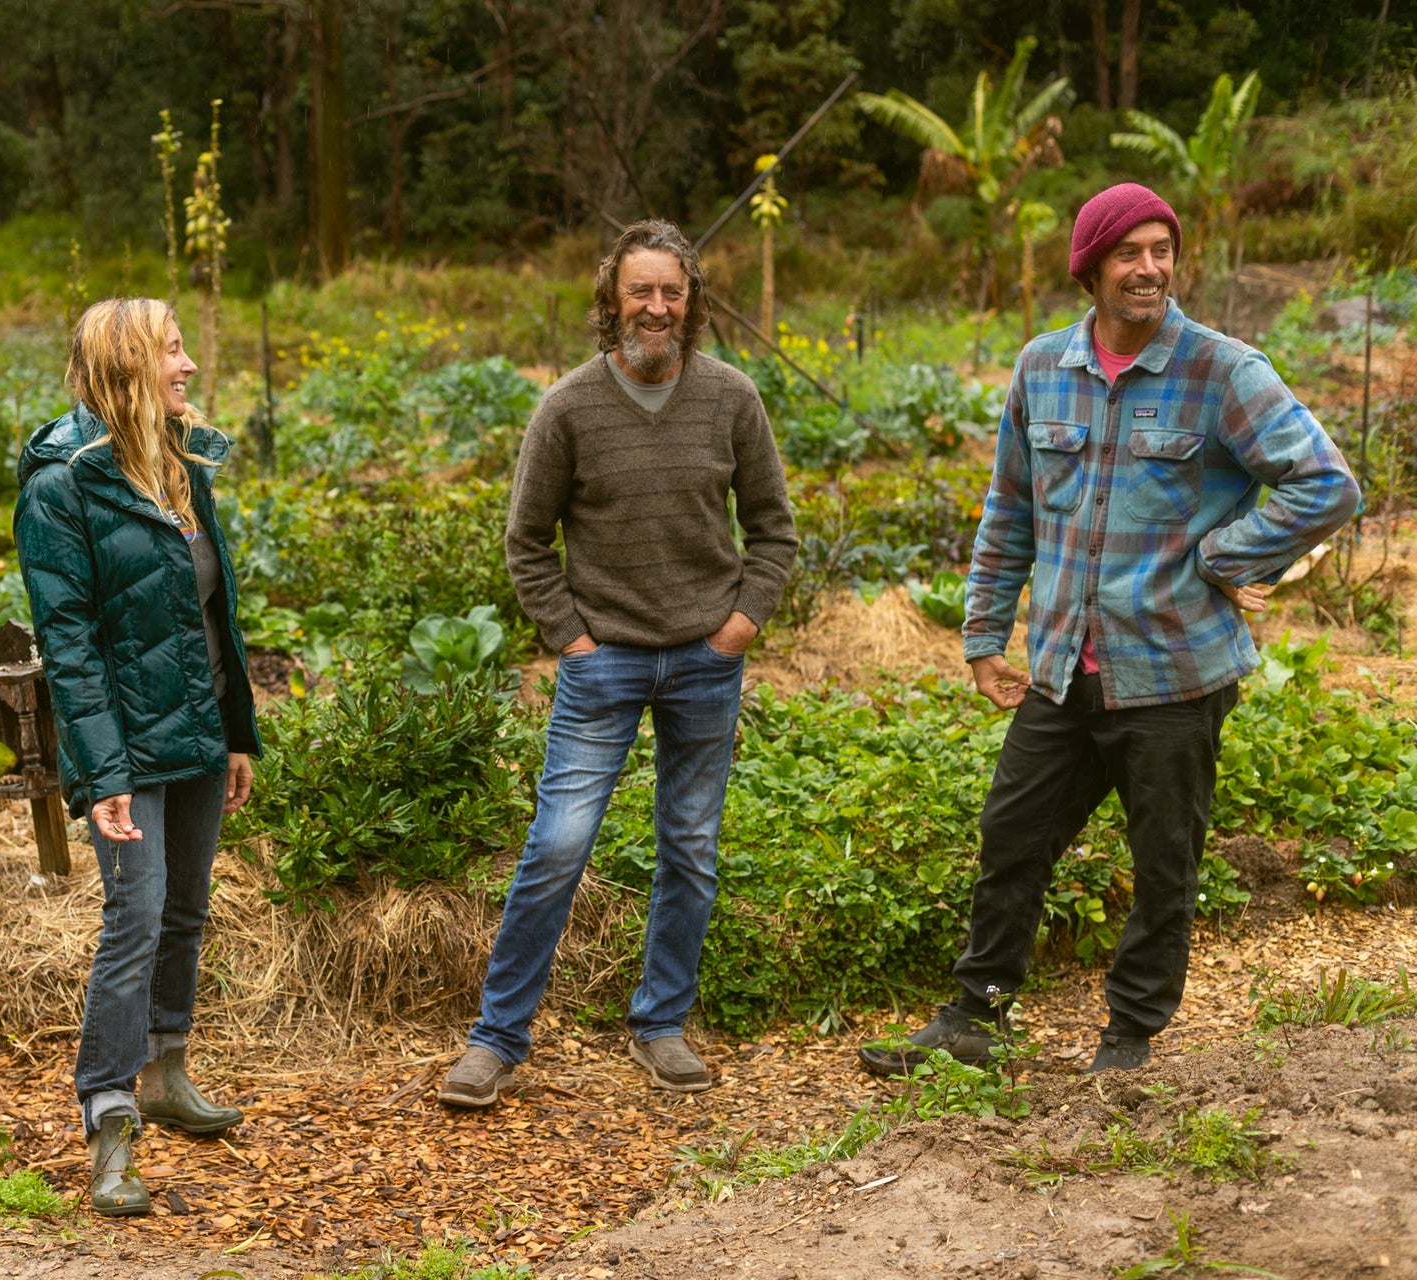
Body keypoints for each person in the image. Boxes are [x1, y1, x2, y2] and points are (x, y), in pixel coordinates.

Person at [858, 183, 1359, 1079]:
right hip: (1060, 663)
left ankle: (1131, 1036)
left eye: (1162, 249)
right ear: (1089, 268)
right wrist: (983, 634)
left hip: (1173, 670)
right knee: (1013, 836)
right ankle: (977, 1017)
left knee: (1164, 861)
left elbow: (1327, 484)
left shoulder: (1222, 370)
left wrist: (1225, 556)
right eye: (1129, 252)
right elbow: (1010, 507)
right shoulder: (1042, 367)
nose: (1150, 268)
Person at [438, 219, 799, 1108]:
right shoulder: (567, 407)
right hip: (604, 666)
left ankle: (661, 1024)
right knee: (558, 846)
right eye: (639, 290)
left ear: (692, 301)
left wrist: (741, 625)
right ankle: (496, 1040)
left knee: (691, 848)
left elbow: (774, 528)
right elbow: (526, 543)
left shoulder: (731, 398)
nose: (656, 307)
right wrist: (572, 639)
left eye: (671, 291)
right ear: (610, 302)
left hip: (706, 662)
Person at [15, 297, 261, 1216]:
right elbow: (68, 645)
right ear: (125, 367)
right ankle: (110, 1113)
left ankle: (166, 1070)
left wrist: (235, 732)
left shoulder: (180, 460)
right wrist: (103, 774)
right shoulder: (61, 485)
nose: (189, 365)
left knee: (187, 910)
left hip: (194, 732)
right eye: (170, 351)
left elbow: (214, 611)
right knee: (138, 915)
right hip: (123, 743)